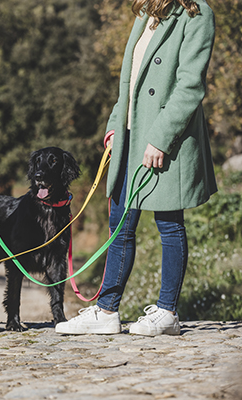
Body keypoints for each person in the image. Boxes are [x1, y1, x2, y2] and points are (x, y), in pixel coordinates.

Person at [55, 0, 217, 336]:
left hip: (164, 137)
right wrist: (116, 124)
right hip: (131, 136)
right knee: (120, 223)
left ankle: (167, 311)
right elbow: (129, 81)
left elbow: (190, 85)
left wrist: (160, 138)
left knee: (169, 222)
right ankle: (106, 311)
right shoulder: (146, 13)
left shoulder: (196, 14)